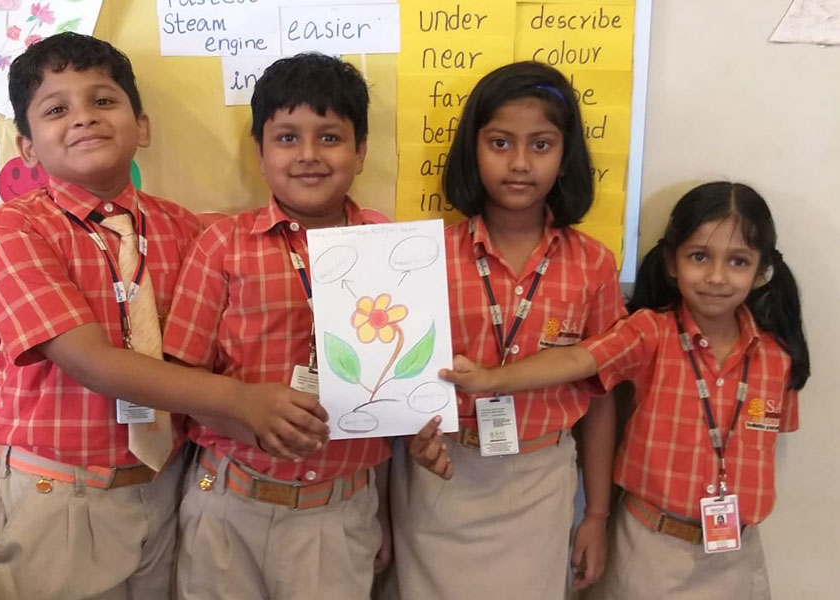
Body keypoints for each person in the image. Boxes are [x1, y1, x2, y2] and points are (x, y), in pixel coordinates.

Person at [0, 33, 327, 600]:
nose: (83, 117)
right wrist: (240, 401)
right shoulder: (15, 230)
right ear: (27, 147)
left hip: (168, 485)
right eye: (57, 110)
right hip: (60, 495)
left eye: (103, 100)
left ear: (143, 126)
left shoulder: (186, 230)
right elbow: (90, 360)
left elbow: (216, 343)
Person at [442, 181, 809, 599]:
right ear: (671, 261)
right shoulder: (648, 333)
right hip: (648, 550)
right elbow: (577, 360)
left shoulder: (778, 359)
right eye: (699, 257)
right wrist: (491, 379)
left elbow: (766, 447)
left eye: (738, 261)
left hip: (736, 558)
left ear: (762, 271)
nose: (716, 277)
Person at [162, 53, 392, 600]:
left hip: (339, 511)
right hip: (228, 503)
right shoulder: (222, 246)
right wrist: (245, 415)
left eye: (330, 137)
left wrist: (385, 507)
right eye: (287, 138)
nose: (308, 155)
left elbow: (396, 395)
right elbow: (178, 377)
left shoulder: (388, 245)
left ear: (361, 151)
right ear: (260, 153)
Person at [393, 61, 626, 599]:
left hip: (539, 479)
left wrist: (596, 513)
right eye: (500, 143)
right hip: (442, 471)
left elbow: (601, 395)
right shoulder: (424, 256)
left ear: (566, 155)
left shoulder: (593, 264)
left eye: (541, 145)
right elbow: (397, 379)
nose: (520, 164)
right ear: (472, 150)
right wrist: (414, 438)